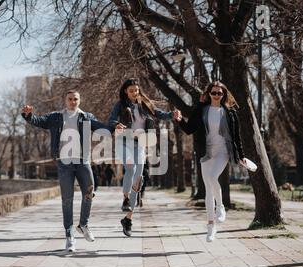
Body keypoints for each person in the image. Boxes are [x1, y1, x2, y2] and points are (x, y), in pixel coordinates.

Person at [21, 90, 110, 252]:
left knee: (89, 193)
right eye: (70, 99)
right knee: (67, 199)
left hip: (83, 161)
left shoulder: (87, 117)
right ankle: (69, 235)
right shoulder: (56, 117)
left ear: (79, 100)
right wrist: (28, 115)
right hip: (64, 163)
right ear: (65, 100)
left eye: (75, 99)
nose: (72, 101)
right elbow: (38, 120)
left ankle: (83, 224)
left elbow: (101, 127)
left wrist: (114, 126)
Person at [109, 78, 182, 236]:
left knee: (138, 179)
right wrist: (116, 124)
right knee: (131, 167)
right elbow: (112, 119)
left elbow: (159, 114)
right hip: (124, 142)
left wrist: (173, 115)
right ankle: (125, 198)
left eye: (136, 90)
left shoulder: (145, 104)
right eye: (131, 91)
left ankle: (128, 219)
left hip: (140, 143)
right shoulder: (120, 105)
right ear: (125, 92)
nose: (134, 93)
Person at [178, 81, 246, 242]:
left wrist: (241, 155)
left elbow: (236, 137)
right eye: (214, 93)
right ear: (209, 94)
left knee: (212, 178)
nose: (216, 96)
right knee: (209, 188)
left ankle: (221, 206)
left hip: (223, 151)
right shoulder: (202, 110)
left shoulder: (230, 113)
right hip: (206, 152)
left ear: (224, 95)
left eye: (219, 93)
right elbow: (189, 129)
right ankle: (211, 226)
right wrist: (179, 119)